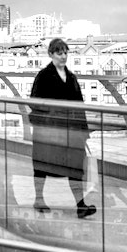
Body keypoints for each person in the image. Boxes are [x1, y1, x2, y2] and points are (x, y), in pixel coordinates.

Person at [29, 37, 95, 219]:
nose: (64, 56)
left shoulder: (72, 77)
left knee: (75, 167)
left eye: (66, 52)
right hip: (49, 131)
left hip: (71, 132)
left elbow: (79, 105)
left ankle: (80, 206)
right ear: (51, 54)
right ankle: (39, 199)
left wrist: (83, 132)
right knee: (42, 166)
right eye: (59, 53)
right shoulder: (43, 76)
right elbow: (35, 102)